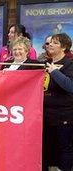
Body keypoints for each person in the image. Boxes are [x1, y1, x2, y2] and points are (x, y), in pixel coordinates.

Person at [43, 33, 73, 171]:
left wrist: (55, 72)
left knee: (64, 149)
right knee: (46, 148)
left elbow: (70, 86)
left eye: (55, 42)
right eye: (49, 43)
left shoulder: (70, 65)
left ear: (64, 47)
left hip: (63, 118)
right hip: (45, 116)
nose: (50, 45)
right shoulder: (45, 64)